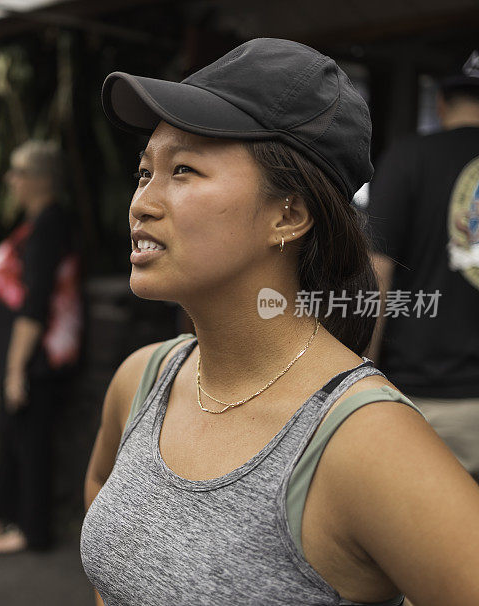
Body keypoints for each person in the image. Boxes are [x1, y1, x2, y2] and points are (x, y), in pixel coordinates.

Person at [81, 38, 479, 606]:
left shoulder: (362, 440)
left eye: (184, 169)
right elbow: (101, 495)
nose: (141, 201)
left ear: (288, 214)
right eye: (145, 172)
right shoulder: (143, 380)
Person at [0, 140, 82, 554]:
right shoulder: (35, 223)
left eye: (18, 173)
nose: (10, 180)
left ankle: (33, 531)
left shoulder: (50, 225)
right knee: (10, 437)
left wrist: (15, 369)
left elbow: (35, 304)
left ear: (40, 179)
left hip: (36, 361)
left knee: (32, 442)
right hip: (22, 358)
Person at [366, 51, 479, 482]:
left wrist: (362, 376)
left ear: (442, 104)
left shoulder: (409, 158)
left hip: (421, 401)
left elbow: (377, 272)